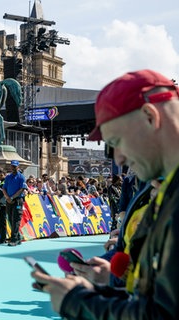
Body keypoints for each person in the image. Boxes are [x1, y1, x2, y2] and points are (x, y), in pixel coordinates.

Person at [31, 69, 179, 319]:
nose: (119, 158)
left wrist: (78, 303)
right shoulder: (165, 191)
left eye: (117, 140)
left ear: (149, 116)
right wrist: (111, 282)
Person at [1, 160, 26, 246]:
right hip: (9, 200)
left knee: (16, 219)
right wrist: (7, 197)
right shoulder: (8, 177)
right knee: (10, 219)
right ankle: (18, 237)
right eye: (12, 166)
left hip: (18, 201)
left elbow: (21, 189)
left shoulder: (21, 177)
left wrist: (12, 197)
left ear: (18, 167)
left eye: (15, 166)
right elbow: (4, 188)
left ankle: (14, 239)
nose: (13, 168)